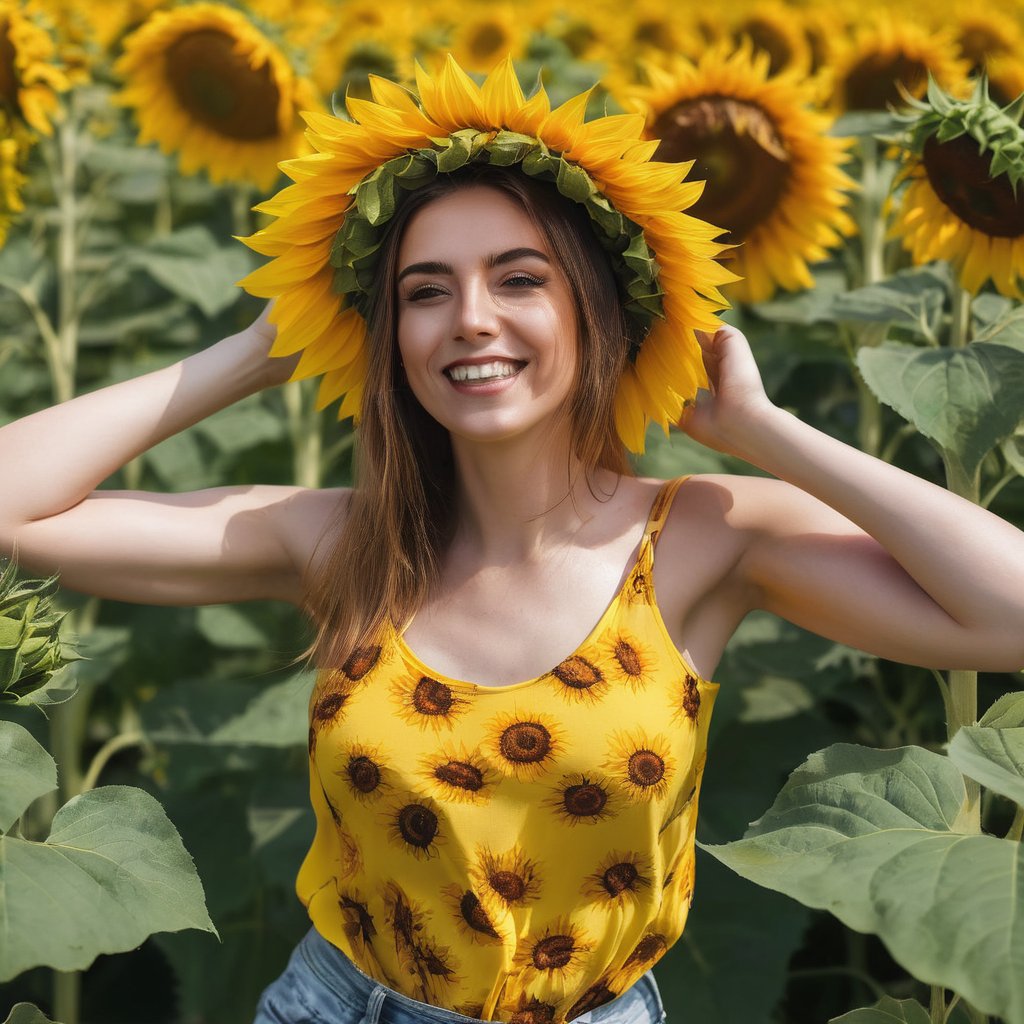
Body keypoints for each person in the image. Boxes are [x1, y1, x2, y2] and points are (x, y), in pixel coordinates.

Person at [1, 54, 1023, 1024]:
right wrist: (264, 345)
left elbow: (1010, 615)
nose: (469, 320)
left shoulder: (704, 538)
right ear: (387, 332)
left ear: (599, 313)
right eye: (423, 291)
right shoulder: (344, 543)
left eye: (520, 278)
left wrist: (768, 434)